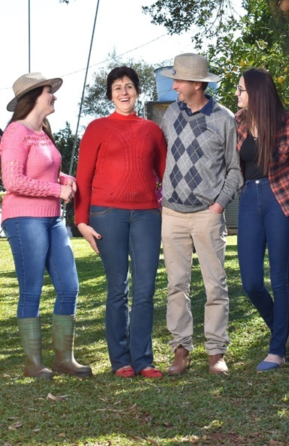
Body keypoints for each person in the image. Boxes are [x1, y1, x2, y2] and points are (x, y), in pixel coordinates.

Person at [74, 66, 167, 378]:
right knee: (118, 289)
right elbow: (83, 178)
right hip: (106, 214)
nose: (124, 92)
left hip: (147, 215)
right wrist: (81, 221)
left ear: (137, 92)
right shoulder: (97, 128)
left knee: (145, 289)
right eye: (117, 88)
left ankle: (143, 359)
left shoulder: (152, 131)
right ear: (110, 95)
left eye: (129, 86)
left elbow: (165, 176)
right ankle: (121, 361)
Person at [1, 72, 92, 379]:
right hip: (24, 218)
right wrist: (56, 190)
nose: (53, 94)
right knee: (32, 290)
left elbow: (45, 173)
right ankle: (33, 364)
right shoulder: (15, 132)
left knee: (70, 286)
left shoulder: (43, 131)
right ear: (34, 96)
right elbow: (12, 180)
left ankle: (64, 359)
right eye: (48, 91)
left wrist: (64, 180)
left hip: (52, 219)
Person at [159, 53, 242, 376]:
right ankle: (181, 351)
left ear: (197, 84)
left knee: (215, 285)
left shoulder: (223, 118)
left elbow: (234, 170)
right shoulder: (170, 115)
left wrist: (219, 204)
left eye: (178, 80)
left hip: (208, 214)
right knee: (175, 285)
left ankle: (215, 353)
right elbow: (164, 158)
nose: (174, 85)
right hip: (172, 214)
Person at [234, 68, 289, 372]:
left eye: (241, 90)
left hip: (281, 199)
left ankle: (277, 350)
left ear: (257, 93)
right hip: (250, 198)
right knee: (250, 282)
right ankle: (282, 330)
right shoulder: (239, 122)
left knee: (279, 277)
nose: (237, 96)